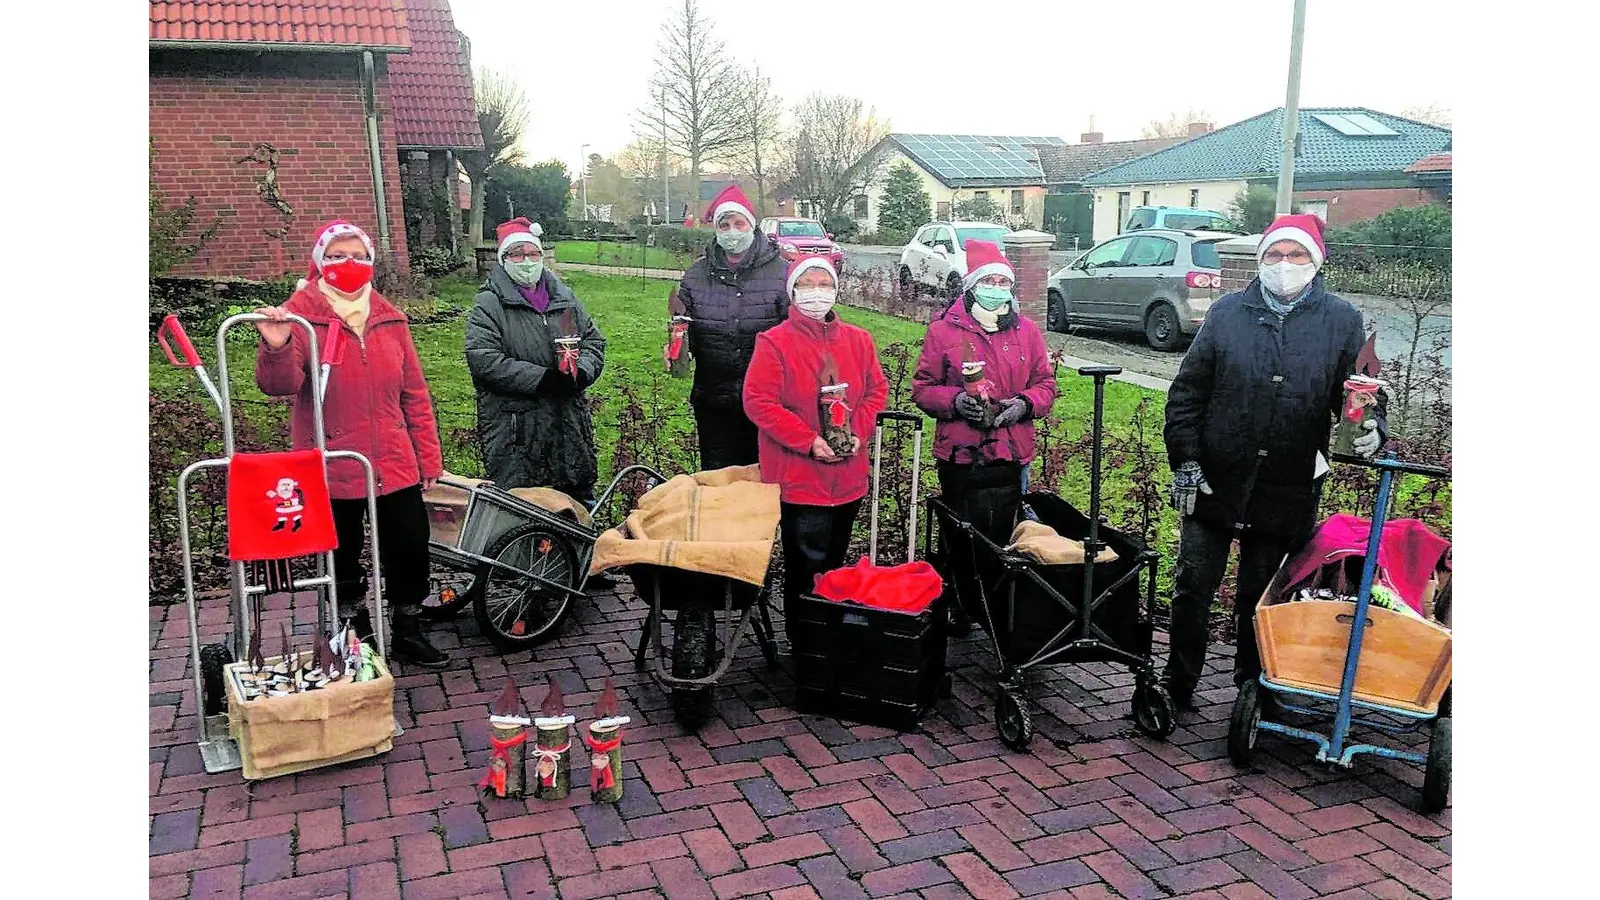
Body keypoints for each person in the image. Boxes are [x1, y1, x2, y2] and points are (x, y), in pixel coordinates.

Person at [1163, 213, 1386, 711]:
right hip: (1216, 475)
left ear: (1316, 261)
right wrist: (1187, 459)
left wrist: (1369, 424)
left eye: (1296, 255)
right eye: (1274, 255)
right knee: (1193, 586)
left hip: (1286, 480)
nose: (1284, 265)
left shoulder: (1341, 319)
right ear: (1261, 260)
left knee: (1261, 596)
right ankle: (1177, 684)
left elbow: (1355, 393)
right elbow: (1186, 395)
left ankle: (1253, 689)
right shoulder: (1227, 313)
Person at [254, 220, 449, 669]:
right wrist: (278, 347)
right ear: (321, 261)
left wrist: (427, 454)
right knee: (341, 549)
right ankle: (353, 626)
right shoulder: (299, 316)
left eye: (359, 255)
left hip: (392, 458)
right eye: (339, 255)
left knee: (409, 543)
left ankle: (408, 627)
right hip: (331, 458)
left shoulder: (389, 317)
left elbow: (413, 393)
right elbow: (280, 386)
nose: (350, 263)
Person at [911, 240, 1058, 631]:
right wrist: (956, 401)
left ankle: (999, 608)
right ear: (973, 285)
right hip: (961, 452)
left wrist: (1024, 405)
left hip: (1011, 452)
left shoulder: (1025, 332)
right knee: (962, 534)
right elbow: (923, 388)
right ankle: (961, 603)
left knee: (1006, 535)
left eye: (1003, 281)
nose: (997, 287)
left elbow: (1046, 383)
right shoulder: (944, 331)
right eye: (989, 280)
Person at [743, 257, 888, 615]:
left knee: (835, 564)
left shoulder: (859, 340)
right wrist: (808, 442)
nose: (817, 292)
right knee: (805, 565)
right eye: (808, 284)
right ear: (793, 291)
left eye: (825, 284)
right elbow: (759, 401)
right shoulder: (774, 342)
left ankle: (829, 633)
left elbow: (875, 391)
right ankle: (804, 635)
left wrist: (859, 432)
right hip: (800, 478)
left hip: (847, 474)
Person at [465, 217, 607, 505]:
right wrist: (543, 379)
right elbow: (484, 359)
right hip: (518, 429)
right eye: (517, 254)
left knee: (575, 507)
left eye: (532, 254)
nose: (526, 261)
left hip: (568, 422)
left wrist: (582, 372)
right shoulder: (490, 303)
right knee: (525, 507)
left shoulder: (564, 299)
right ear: (504, 259)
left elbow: (593, 341)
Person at [675, 184, 789, 470]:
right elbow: (683, 329)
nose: (732, 232)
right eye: (724, 225)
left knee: (766, 480)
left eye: (739, 223)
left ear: (752, 225)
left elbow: (796, 335)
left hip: (770, 400)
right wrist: (678, 347)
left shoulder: (782, 273)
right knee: (718, 481)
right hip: (714, 399)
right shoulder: (696, 276)